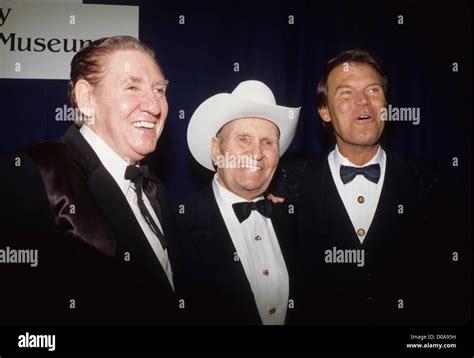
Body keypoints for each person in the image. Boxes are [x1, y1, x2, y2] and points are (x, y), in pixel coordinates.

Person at [276, 49, 467, 323]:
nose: (363, 102)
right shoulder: (284, 184)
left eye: (373, 90)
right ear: (324, 110)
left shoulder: (435, 182)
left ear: (386, 105)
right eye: (345, 93)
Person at [0, 36, 180, 324]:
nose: (154, 106)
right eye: (132, 87)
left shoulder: (154, 188)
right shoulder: (34, 172)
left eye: (159, 89)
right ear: (86, 99)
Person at [175, 80, 300, 324]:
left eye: (267, 142)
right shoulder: (176, 224)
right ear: (216, 150)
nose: (256, 154)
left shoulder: (295, 221)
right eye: (243, 139)